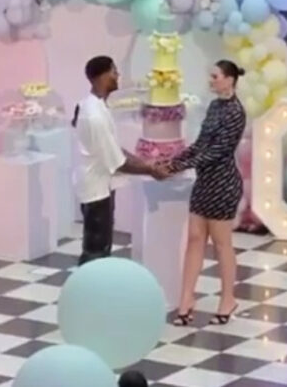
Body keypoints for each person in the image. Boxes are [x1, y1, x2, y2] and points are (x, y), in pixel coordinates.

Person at [165, 60, 247, 326]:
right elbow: (201, 144)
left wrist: (181, 165)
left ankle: (228, 298)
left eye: (215, 76)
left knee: (221, 243)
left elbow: (218, 151)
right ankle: (186, 299)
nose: (211, 81)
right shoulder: (214, 106)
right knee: (194, 238)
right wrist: (175, 160)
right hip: (204, 182)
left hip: (223, 184)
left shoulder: (236, 111)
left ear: (229, 79)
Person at [73, 55, 167, 266]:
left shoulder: (96, 105)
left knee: (101, 243)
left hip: (101, 185)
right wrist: (150, 170)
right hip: (96, 189)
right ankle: (89, 284)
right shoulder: (94, 115)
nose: (118, 76)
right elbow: (118, 162)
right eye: (114, 72)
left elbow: (115, 149)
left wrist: (145, 163)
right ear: (102, 77)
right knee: (96, 249)